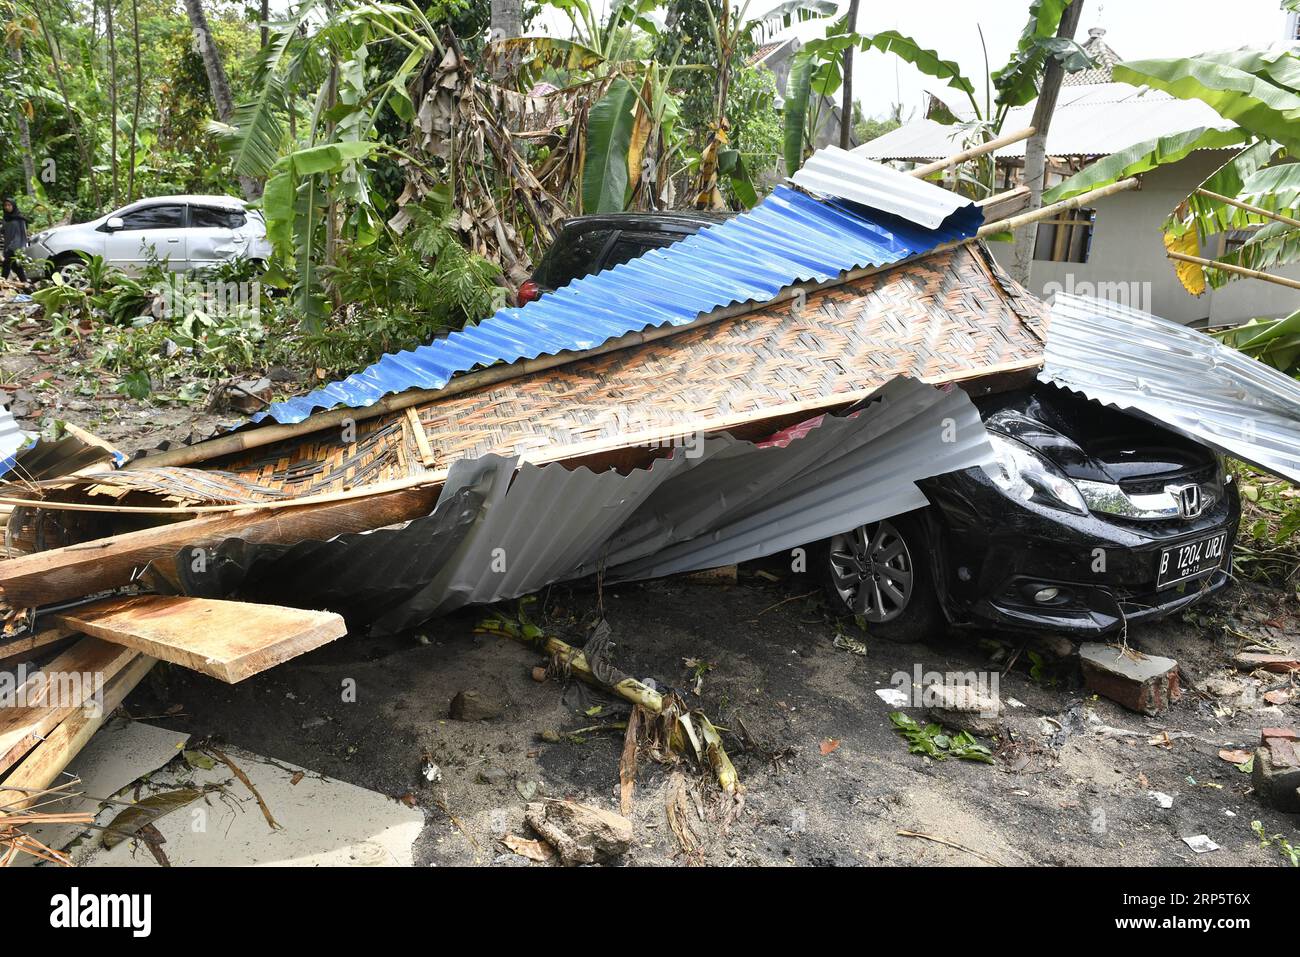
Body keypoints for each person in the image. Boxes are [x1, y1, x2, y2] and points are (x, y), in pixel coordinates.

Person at [2, 197, 29, 282]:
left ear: (13, 206)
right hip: (8, 245)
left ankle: (2, 283)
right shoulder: (6, 218)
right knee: (17, 267)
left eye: (9, 205)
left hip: (16, 246)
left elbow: (23, 233)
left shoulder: (20, 219)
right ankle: (26, 286)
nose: (7, 207)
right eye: (5, 205)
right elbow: (3, 230)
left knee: (6, 265)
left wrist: (22, 247)